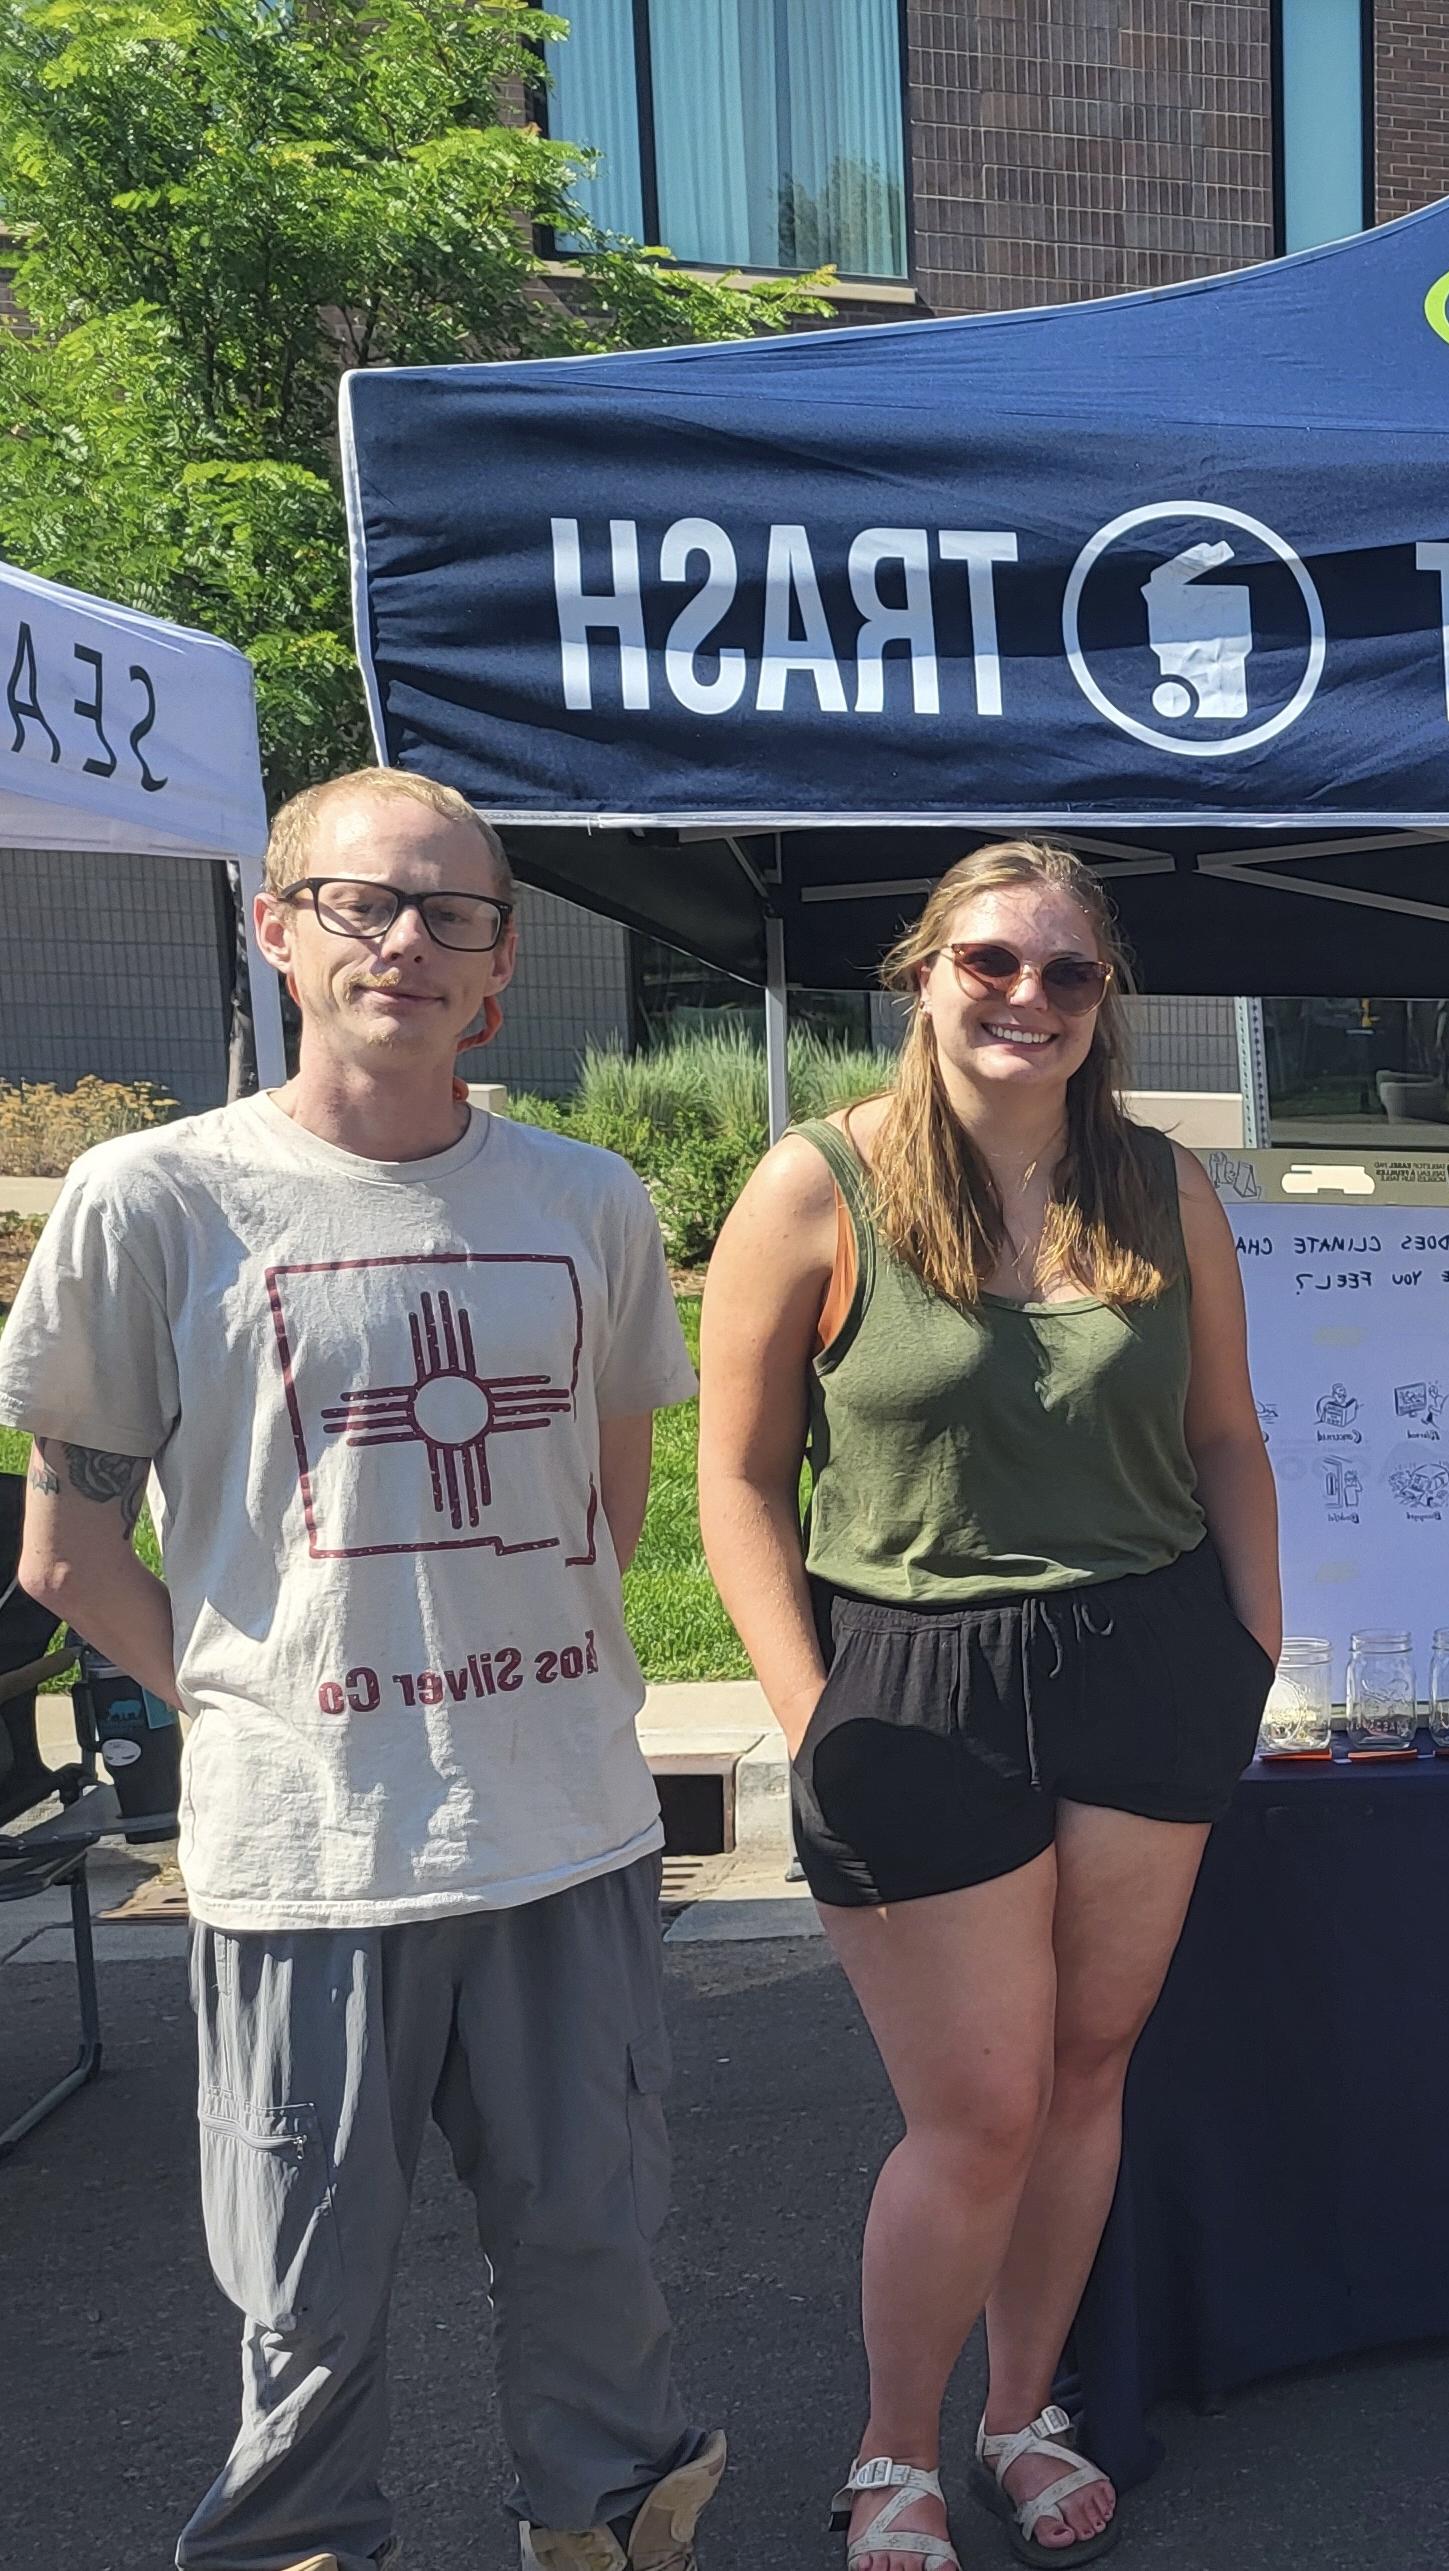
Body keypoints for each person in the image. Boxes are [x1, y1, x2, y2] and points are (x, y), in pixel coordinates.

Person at [0, 769, 725, 2571]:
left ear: (498, 960)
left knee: (598, 2265)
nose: (406, 940)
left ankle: (616, 2539)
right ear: (276, 928)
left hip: (563, 1828)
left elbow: (601, 1508)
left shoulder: (589, 1198)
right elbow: (70, 1557)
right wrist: (262, 1697)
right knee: (303, 2307)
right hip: (306, 1856)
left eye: (451, 913)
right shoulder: (152, 1199)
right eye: (360, 903)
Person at [697, 842, 1280, 2571]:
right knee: (980, 2109)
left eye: (1067, 973)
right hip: (912, 1676)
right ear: (924, 976)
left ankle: (1021, 2413)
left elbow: (1228, 1437)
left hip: (1148, 1663)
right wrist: (814, 1716)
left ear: (1106, 1003)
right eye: (991, 964)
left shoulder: (1160, 1186)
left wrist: (1249, 1644)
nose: (1026, 998)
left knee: (1087, 2071)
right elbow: (735, 1483)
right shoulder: (817, 1186)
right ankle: (892, 2449)